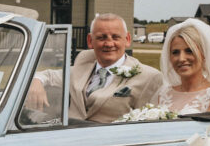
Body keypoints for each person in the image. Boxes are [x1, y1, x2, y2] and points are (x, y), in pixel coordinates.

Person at [26, 13, 162, 123]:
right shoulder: (82, 66)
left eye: (115, 37)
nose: (109, 43)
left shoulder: (149, 76)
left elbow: (148, 124)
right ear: (90, 41)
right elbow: (47, 75)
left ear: (127, 39)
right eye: (102, 37)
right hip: (68, 141)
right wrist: (36, 82)